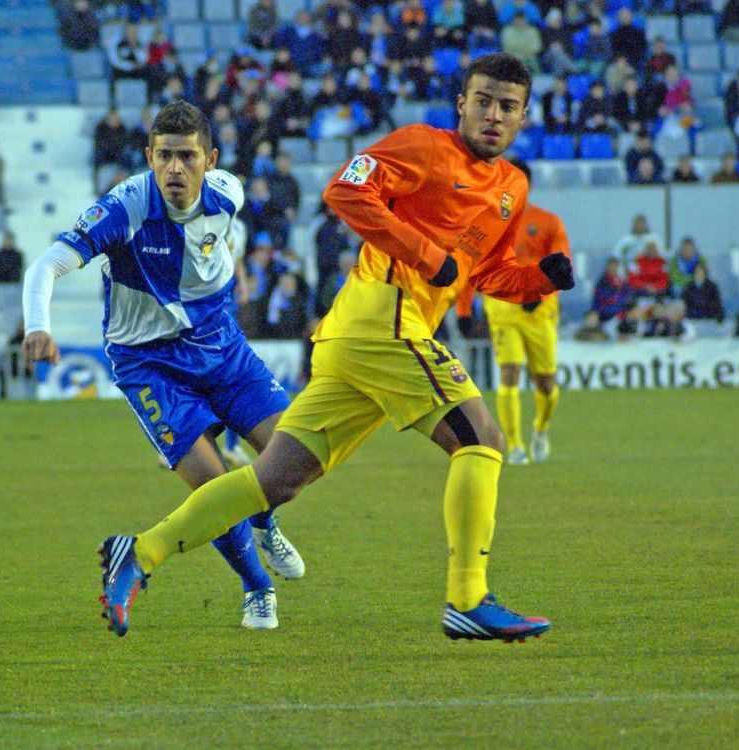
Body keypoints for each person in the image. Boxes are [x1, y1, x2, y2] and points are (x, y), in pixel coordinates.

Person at [96, 54, 575, 641]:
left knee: (275, 481)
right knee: (483, 438)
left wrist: (540, 280)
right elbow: (344, 190)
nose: (493, 115)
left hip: (368, 340)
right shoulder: (425, 147)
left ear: (525, 117)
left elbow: (481, 272)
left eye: (507, 106)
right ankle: (468, 599)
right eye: (483, 101)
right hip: (384, 316)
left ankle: (138, 554)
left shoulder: (511, 187)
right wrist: (426, 254)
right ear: (461, 103)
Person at [23, 101, 307, 631]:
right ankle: (257, 587)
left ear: (210, 160)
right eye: (165, 157)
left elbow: (220, 243)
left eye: (188, 157)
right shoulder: (126, 207)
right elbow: (47, 264)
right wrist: (38, 324)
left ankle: (264, 519)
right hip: (149, 363)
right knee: (210, 484)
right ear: (149, 157)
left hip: (222, 347)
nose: (175, 169)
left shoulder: (229, 193)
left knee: (295, 452)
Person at [455, 157, 568, 465]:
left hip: (539, 311)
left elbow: (563, 267)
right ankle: (515, 445)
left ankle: (541, 429)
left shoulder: (548, 222)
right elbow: (469, 265)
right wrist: (463, 310)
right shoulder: (486, 224)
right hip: (503, 307)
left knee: (545, 382)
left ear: (527, 185)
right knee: (509, 373)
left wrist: (540, 291)